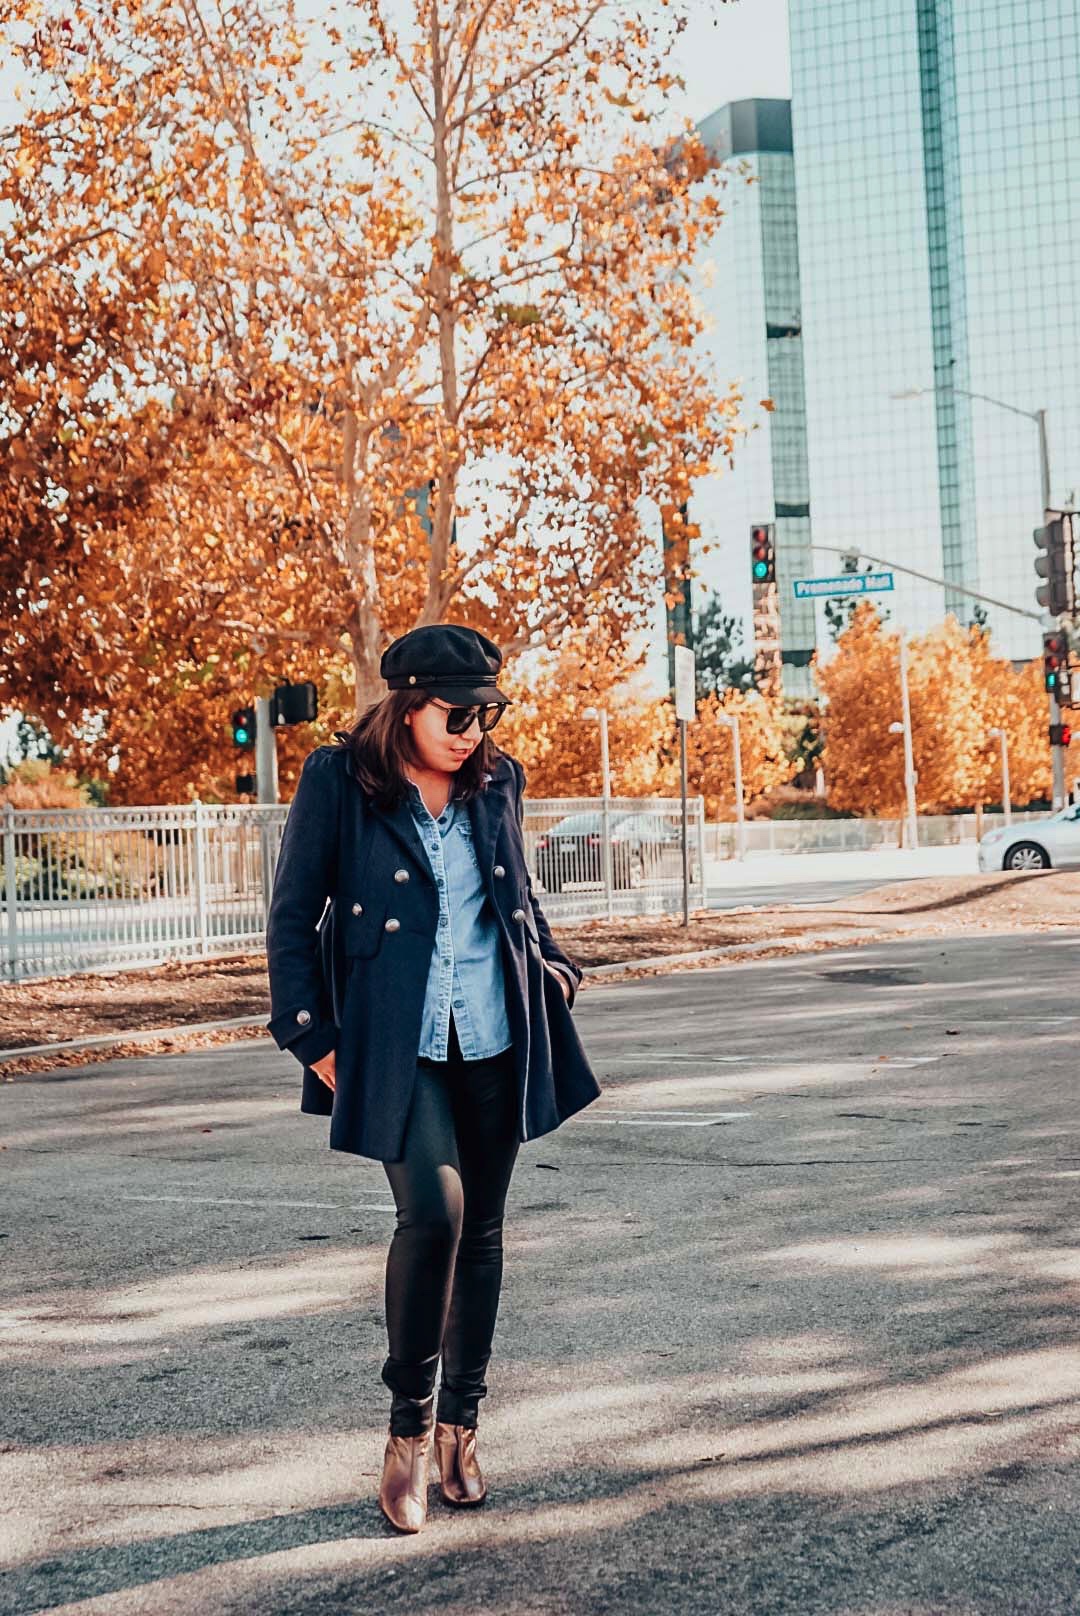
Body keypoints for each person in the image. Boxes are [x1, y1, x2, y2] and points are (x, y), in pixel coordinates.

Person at [264, 623, 601, 1533]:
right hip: (394, 1044)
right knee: (436, 1217)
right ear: (407, 704)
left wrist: (558, 969)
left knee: (483, 1233)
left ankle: (463, 1428)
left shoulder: (498, 779)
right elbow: (295, 914)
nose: (474, 730)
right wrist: (312, 1036)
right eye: (459, 713)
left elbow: (519, 900)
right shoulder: (340, 780)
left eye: (489, 713)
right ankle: (406, 1435)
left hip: (493, 1032)